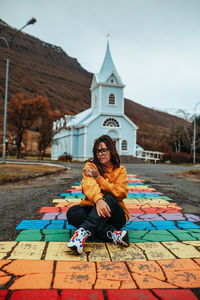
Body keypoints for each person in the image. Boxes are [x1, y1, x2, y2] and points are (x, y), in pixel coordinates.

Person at [67, 135, 130, 254]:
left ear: (111, 150)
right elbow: (88, 184)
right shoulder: (90, 166)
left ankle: (83, 232)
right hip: (94, 208)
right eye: (97, 151)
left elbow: (121, 192)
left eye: (104, 150)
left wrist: (99, 178)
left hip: (115, 215)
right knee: (73, 213)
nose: (100, 154)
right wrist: (98, 200)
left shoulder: (120, 170)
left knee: (110, 199)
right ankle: (112, 235)